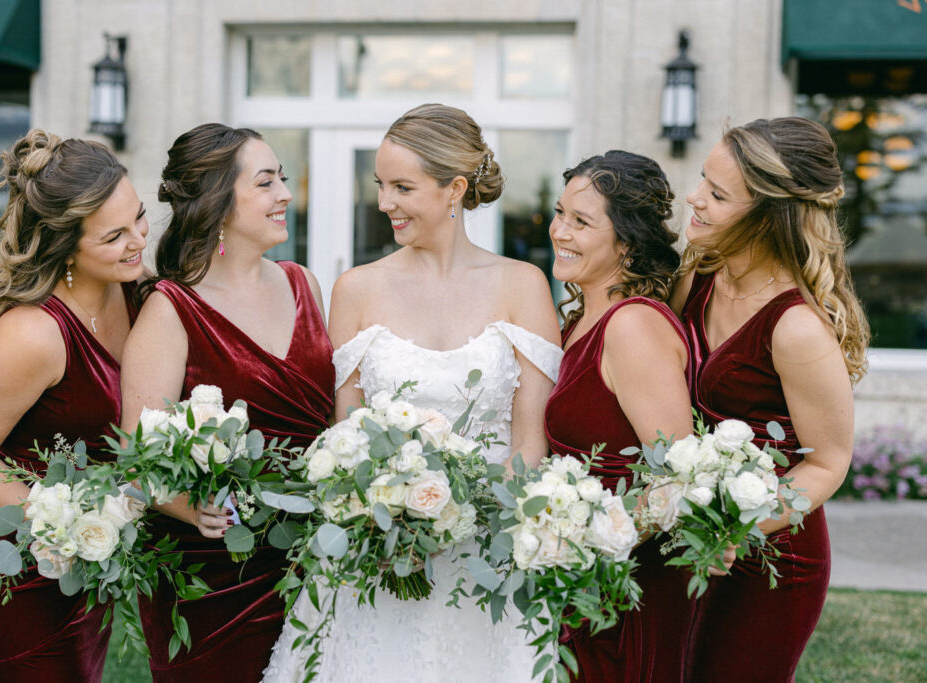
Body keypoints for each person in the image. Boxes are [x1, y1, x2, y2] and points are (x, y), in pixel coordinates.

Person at [262, 103, 564, 682]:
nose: (384, 203)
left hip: (488, 555)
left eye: (402, 187)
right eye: (380, 185)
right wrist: (389, 527)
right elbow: (344, 436)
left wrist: (462, 522)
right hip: (377, 556)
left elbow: (531, 437)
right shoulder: (357, 289)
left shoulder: (522, 286)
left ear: (454, 188)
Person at [120, 123, 334, 682]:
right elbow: (138, 461)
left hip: (315, 558)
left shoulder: (302, 283)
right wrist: (196, 509)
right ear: (218, 201)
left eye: (282, 179)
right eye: (266, 183)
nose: (285, 194)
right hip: (214, 576)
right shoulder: (171, 309)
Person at [0, 130, 148, 682]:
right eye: (114, 235)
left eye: (139, 218)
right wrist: (65, 521)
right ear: (64, 244)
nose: (138, 241)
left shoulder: (135, 291)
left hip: (88, 557)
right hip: (13, 562)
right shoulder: (33, 333)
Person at [671, 117, 869, 682]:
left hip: (772, 559)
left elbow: (829, 461)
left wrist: (734, 528)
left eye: (716, 193)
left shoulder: (796, 327)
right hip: (690, 538)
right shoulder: (698, 276)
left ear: (768, 215)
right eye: (702, 180)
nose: (695, 198)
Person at [543, 151, 696, 682]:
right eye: (560, 212)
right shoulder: (580, 318)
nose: (559, 230)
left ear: (627, 243)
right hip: (578, 578)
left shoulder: (631, 327)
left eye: (581, 222)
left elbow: (680, 478)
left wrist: (586, 541)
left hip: (625, 589)